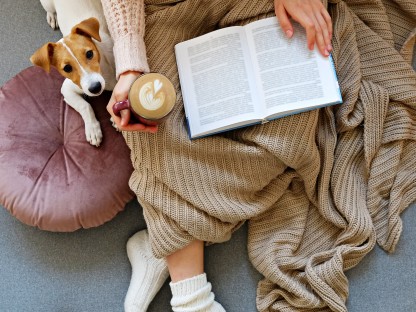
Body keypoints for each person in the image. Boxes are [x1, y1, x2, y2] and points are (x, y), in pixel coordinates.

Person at [101, 0, 333, 311]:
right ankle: (191, 298)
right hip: (167, 12)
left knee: (288, 134)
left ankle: (166, 242)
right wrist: (129, 65)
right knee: (152, 122)